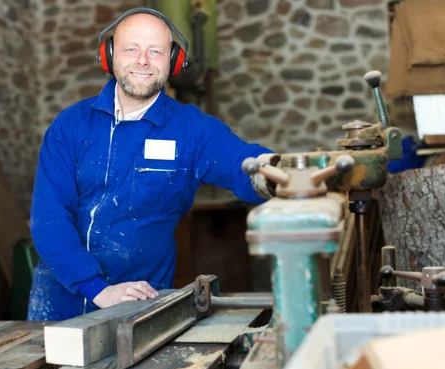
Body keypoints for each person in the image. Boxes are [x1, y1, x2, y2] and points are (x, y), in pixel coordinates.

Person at [27, 7, 277, 321]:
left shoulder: (191, 129)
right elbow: (49, 218)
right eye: (131, 49)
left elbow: (242, 162)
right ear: (110, 55)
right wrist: (98, 290)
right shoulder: (70, 126)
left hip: (140, 307)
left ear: (172, 60)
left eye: (155, 51)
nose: (143, 61)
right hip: (59, 305)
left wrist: (274, 171)